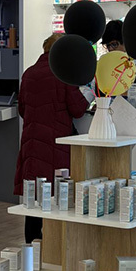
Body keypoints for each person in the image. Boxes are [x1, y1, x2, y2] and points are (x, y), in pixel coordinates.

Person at [14, 32, 89, 242]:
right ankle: (55, 248)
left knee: (33, 197)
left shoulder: (28, 73)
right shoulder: (64, 73)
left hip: (31, 143)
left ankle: (32, 246)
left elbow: (22, 109)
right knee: (58, 197)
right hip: (56, 144)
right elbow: (78, 109)